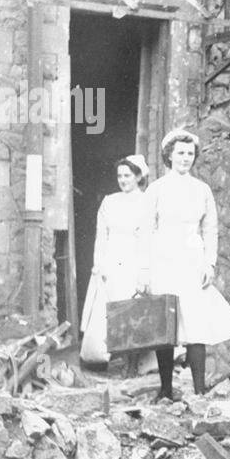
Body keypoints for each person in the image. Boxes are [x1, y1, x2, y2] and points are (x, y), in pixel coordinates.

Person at [141, 129, 230, 400]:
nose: (185, 158)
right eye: (180, 153)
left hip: (192, 261)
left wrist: (209, 264)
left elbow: (211, 230)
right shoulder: (157, 189)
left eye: (190, 153)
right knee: (166, 326)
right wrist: (144, 271)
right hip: (163, 259)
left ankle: (198, 391)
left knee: (196, 324)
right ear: (169, 156)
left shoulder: (202, 190)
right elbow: (146, 231)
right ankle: (166, 388)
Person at [79, 154, 148, 368]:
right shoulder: (110, 201)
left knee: (134, 311)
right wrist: (98, 263)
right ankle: (106, 358)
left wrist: (145, 268)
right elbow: (101, 236)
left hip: (135, 258)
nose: (123, 180)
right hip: (112, 259)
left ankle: (133, 363)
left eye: (127, 175)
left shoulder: (147, 201)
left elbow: (148, 236)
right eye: (119, 176)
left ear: (138, 176)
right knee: (112, 310)